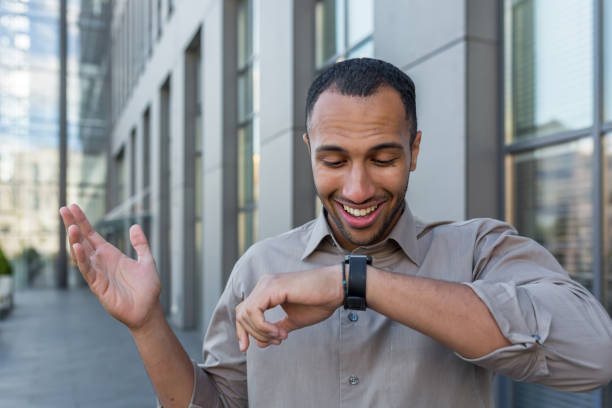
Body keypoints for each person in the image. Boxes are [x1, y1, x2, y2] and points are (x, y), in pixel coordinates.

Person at [60, 58, 612, 408]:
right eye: (334, 159)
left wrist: (352, 282)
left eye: (383, 157)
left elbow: (592, 355)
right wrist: (148, 325)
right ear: (308, 151)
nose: (357, 187)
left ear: (414, 150)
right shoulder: (258, 267)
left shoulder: (479, 250)